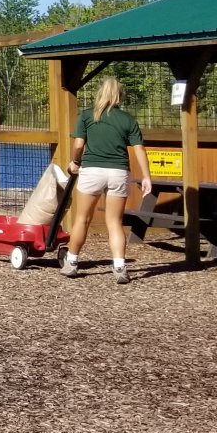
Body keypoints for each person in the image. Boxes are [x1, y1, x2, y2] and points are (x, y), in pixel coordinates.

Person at [62, 77, 151, 284]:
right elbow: (139, 150)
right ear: (119, 95)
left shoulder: (87, 116)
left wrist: (75, 162)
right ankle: (120, 267)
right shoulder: (128, 120)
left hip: (92, 170)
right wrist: (147, 176)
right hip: (119, 172)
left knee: (83, 219)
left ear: (100, 93)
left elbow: (78, 145)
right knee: (114, 222)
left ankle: (72, 263)